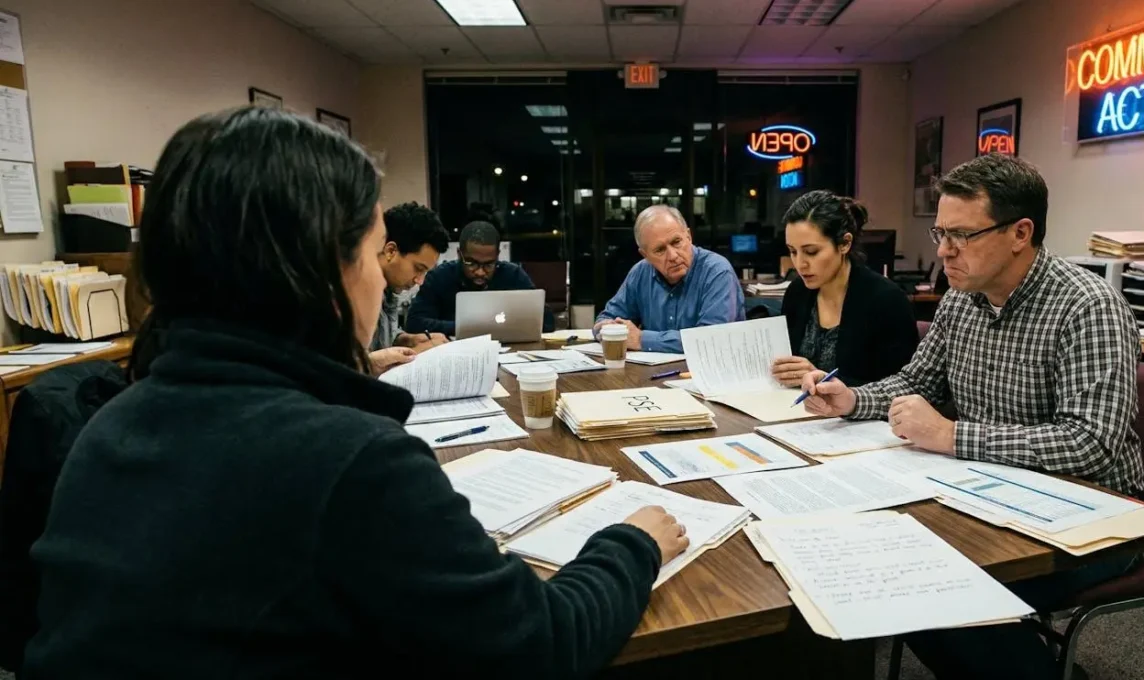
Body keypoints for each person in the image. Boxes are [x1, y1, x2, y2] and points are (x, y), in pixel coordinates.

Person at [23, 107, 688, 678]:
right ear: (315, 268)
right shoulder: (349, 460)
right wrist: (632, 542)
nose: (387, 282)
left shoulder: (112, 423)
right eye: (374, 255)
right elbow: (541, 647)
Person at [799, 154, 1144, 680]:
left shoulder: (1088, 307)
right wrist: (852, 399)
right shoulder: (962, 300)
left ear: (1020, 233)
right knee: (889, 572)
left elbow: (1089, 444)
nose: (942, 251)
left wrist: (953, 435)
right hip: (990, 488)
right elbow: (916, 383)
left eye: (961, 236)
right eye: (941, 233)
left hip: (1095, 515)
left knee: (937, 586)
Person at [771, 190, 918, 388]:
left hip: (864, 417)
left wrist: (823, 379)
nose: (800, 264)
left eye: (811, 252)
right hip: (801, 411)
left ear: (844, 244)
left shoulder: (886, 300)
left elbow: (901, 387)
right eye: (792, 251)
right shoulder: (798, 292)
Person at [593, 205, 744, 353]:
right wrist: (607, 328)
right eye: (660, 250)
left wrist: (641, 339)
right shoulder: (640, 272)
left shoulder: (717, 272)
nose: (672, 256)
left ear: (689, 237)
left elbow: (709, 339)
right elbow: (607, 318)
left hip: (710, 373)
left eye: (676, 242)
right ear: (645, 255)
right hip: (653, 374)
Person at [404, 221, 553, 338]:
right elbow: (414, 323)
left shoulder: (513, 275)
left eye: (489, 264)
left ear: (498, 255)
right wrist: (467, 328)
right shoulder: (439, 277)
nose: (480, 272)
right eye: (471, 263)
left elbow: (546, 322)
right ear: (459, 254)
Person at [370, 201, 448, 353]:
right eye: (418, 269)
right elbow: (350, 366)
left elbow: (383, 338)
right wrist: (412, 354)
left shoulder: (388, 289)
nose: (419, 281)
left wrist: (408, 340)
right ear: (391, 251)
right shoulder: (356, 291)